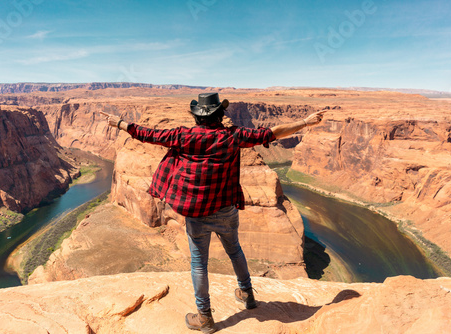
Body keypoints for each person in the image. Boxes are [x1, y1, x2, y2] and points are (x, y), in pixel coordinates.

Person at [101, 93, 324, 334]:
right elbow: (271, 133)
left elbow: (148, 135)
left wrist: (119, 123)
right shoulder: (233, 136)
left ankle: (205, 317)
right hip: (226, 209)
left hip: (196, 213)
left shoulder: (183, 136)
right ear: (220, 115)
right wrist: (305, 122)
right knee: (235, 250)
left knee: (199, 263)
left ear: (197, 117)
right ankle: (247, 295)